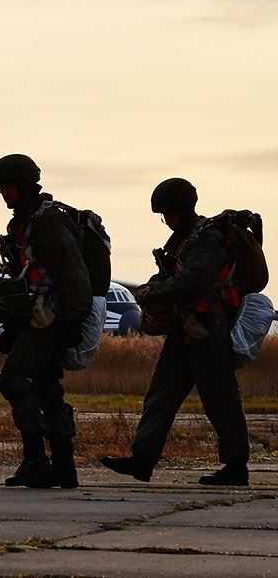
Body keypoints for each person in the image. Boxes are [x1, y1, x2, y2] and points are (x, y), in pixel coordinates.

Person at [101, 178, 250, 486]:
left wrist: (153, 294)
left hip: (207, 329)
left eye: (168, 213)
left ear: (182, 210)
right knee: (161, 394)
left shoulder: (208, 240)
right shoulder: (182, 240)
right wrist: (148, 287)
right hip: (184, 329)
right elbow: (171, 273)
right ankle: (142, 460)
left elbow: (193, 281)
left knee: (220, 399)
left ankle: (236, 467)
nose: (165, 220)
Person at [0, 154, 91, 489]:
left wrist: (75, 319)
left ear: (26, 186)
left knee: (12, 379)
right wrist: (9, 328)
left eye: (9, 187)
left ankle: (36, 460)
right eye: (1, 188)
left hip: (49, 318)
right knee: (47, 389)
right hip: (32, 317)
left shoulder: (48, 221)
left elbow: (72, 270)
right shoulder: (23, 222)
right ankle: (64, 466)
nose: (4, 194)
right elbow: (22, 277)